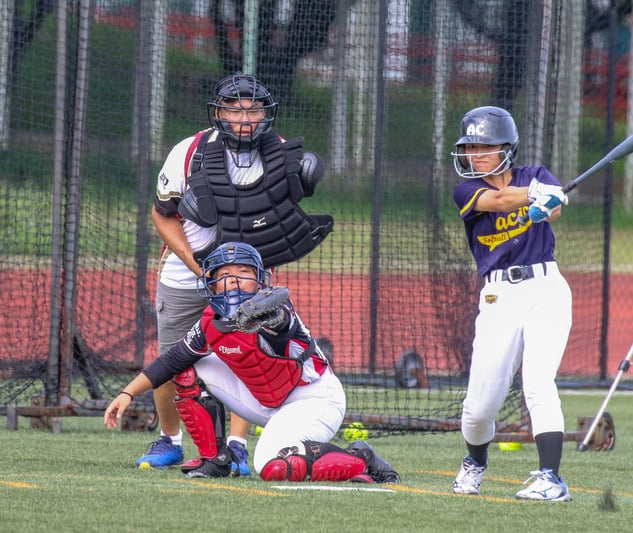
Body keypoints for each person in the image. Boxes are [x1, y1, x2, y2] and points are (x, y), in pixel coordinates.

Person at [145, 72, 331, 474]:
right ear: (219, 113)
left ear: (266, 113)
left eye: (253, 110)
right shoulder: (189, 152)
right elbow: (161, 215)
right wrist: (198, 267)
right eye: (234, 110)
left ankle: (236, 445)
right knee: (172, 359)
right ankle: (169, 440)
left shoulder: (279, 152)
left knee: (245, 356)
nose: (244, 119)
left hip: (247, 278)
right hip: (186, 271)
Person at [104, 242, 399, 484]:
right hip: (266, 402)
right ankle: (216, 459)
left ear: (259, 280)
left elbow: (282, 323)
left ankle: (361, 458)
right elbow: (172, 360)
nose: (233, 279)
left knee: (272, 466)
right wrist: (127, 393)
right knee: (186, 369)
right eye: (224, 273)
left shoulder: (276, 309)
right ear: (212, 283)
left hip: (313, 401)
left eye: (243, 272)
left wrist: (267, 316)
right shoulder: (210, 321)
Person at [450, 106, 572, 501]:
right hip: (498, 296)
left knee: (538, 382)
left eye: (485, 146)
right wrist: (533, 196)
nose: (476, 154)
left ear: (507, 147)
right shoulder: (466, 191)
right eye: (470, 147)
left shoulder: (536, 174)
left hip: (546, 288)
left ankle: (551, 478)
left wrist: (548, 201)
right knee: (479, 409)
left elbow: (554, 207)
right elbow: (500, 201)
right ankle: (475, 462)